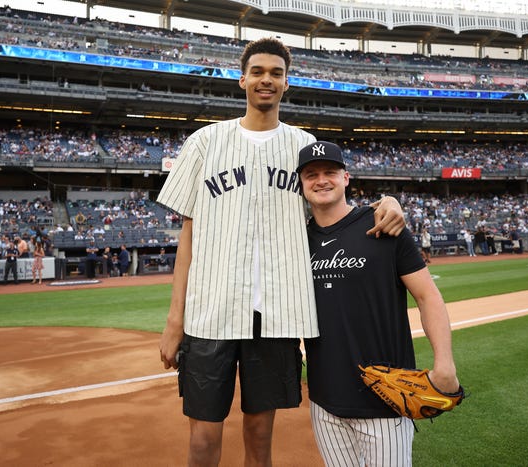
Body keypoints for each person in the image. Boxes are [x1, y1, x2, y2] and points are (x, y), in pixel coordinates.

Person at [156, 38, 405, 466]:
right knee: (201, 438)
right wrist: (174, 319)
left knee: (259, 436)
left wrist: (388, 202)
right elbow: (189, 236)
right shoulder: (205, 141)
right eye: (257, 72)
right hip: (210, 312)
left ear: (286, 83)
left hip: (274, 317)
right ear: (242, 80)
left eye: (275, 73)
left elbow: (334, 201)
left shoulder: (302, 145)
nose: (265, 80)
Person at [297, 141, 459, 466]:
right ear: (301, 184)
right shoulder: (296, 240)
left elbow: (428, 296)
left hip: (384, 395)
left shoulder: (385, 226)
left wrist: (445, 363)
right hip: (323, 399)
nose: (321, 180)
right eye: (311, 174)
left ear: (346, 177)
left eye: (330, 172)